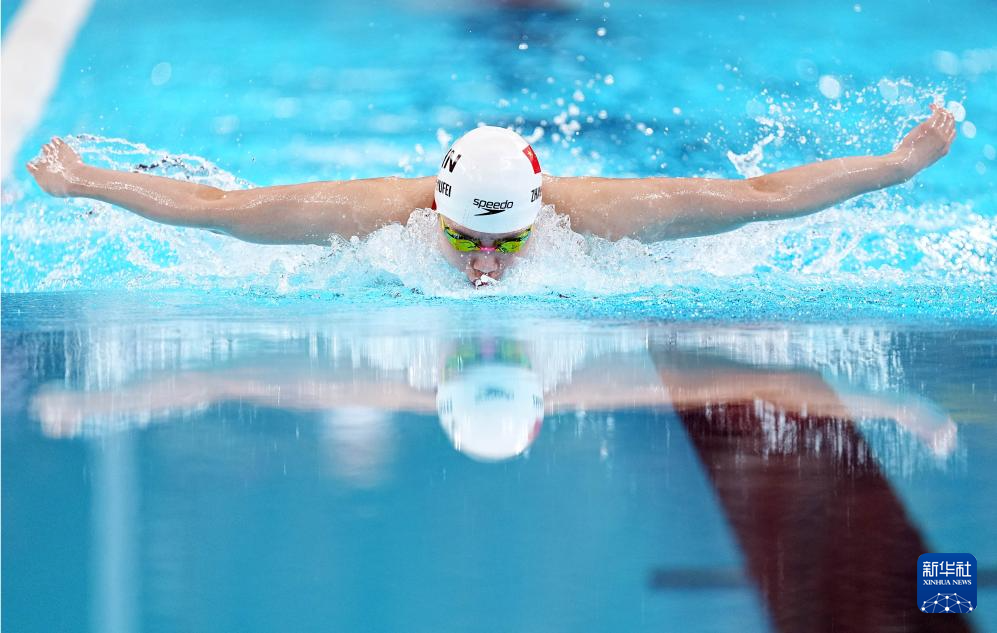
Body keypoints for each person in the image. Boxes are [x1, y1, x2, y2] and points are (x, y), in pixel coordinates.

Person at [27, 105, 956, 286]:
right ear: (434, 211)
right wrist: (85, 185)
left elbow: (759, 196)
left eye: (507, 242)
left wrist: (893, 167)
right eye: (466, 236)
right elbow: (219, 212)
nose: (482, 261)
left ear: (538, 214)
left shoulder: (606, 217)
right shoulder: (374, 216)